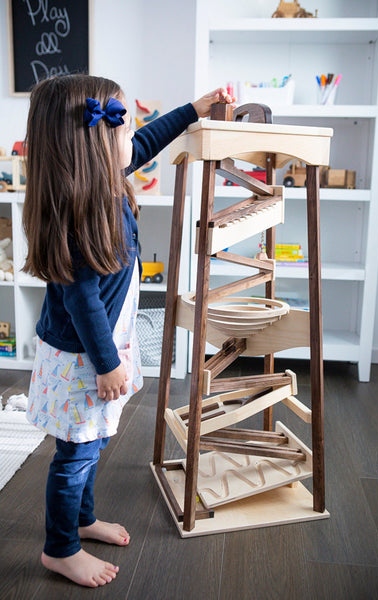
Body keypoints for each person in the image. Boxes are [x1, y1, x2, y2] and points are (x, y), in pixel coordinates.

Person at [22, 74, 235, 588]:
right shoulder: (80, 211)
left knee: (89, 443)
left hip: (95, 349)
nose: (133, 136)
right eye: (123, 127)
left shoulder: (100, 182)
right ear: (94, 146)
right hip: (84, 355)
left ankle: (80, 518)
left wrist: (193, 109)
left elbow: (144, 142)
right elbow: (82, 302)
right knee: (75, 453)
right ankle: (60, 548)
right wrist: (108, 365)